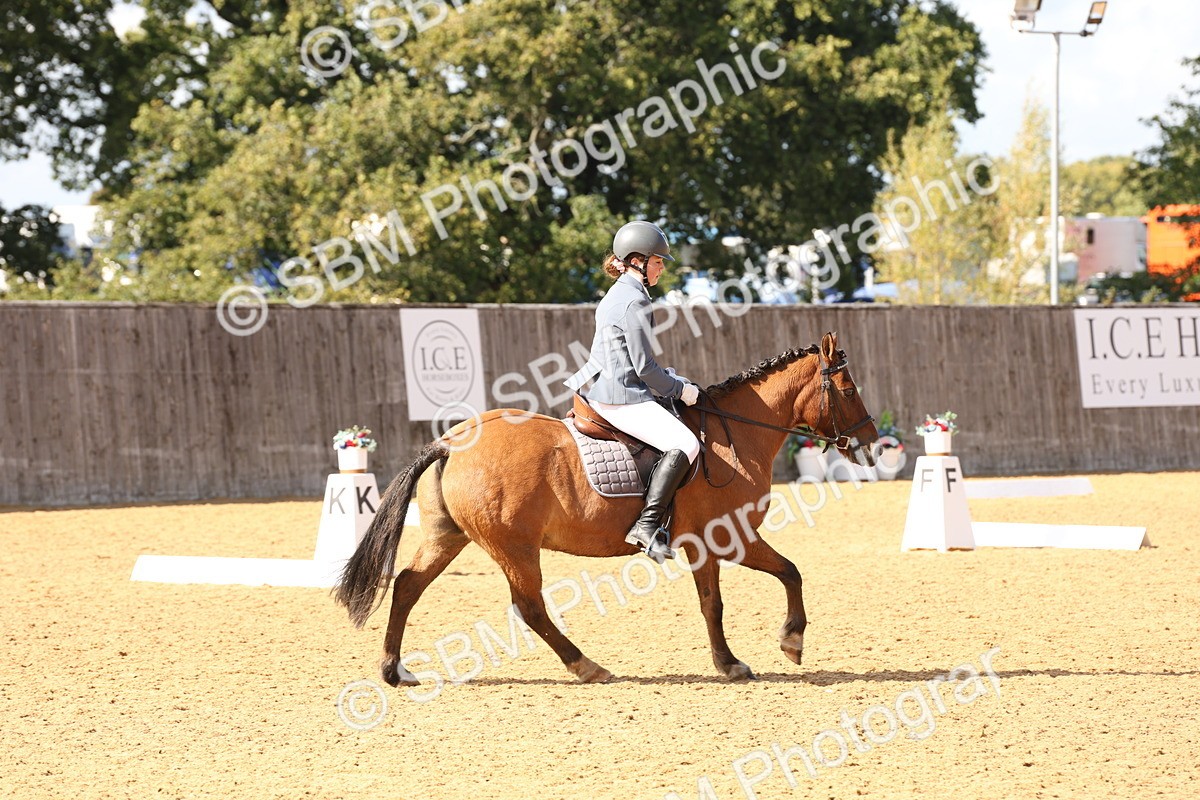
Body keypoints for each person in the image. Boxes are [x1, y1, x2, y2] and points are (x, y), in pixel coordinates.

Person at [565, 220, 702, 562]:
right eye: (658, 261)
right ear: (637, 260)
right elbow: (643, 368)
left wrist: (665, 377)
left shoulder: (622, 293)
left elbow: (629, 357)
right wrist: (679, 389)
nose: (661, 268)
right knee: (686, 443)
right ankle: (647, 524)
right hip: (622, 396)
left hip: (605, 386)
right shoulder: (635, 301)